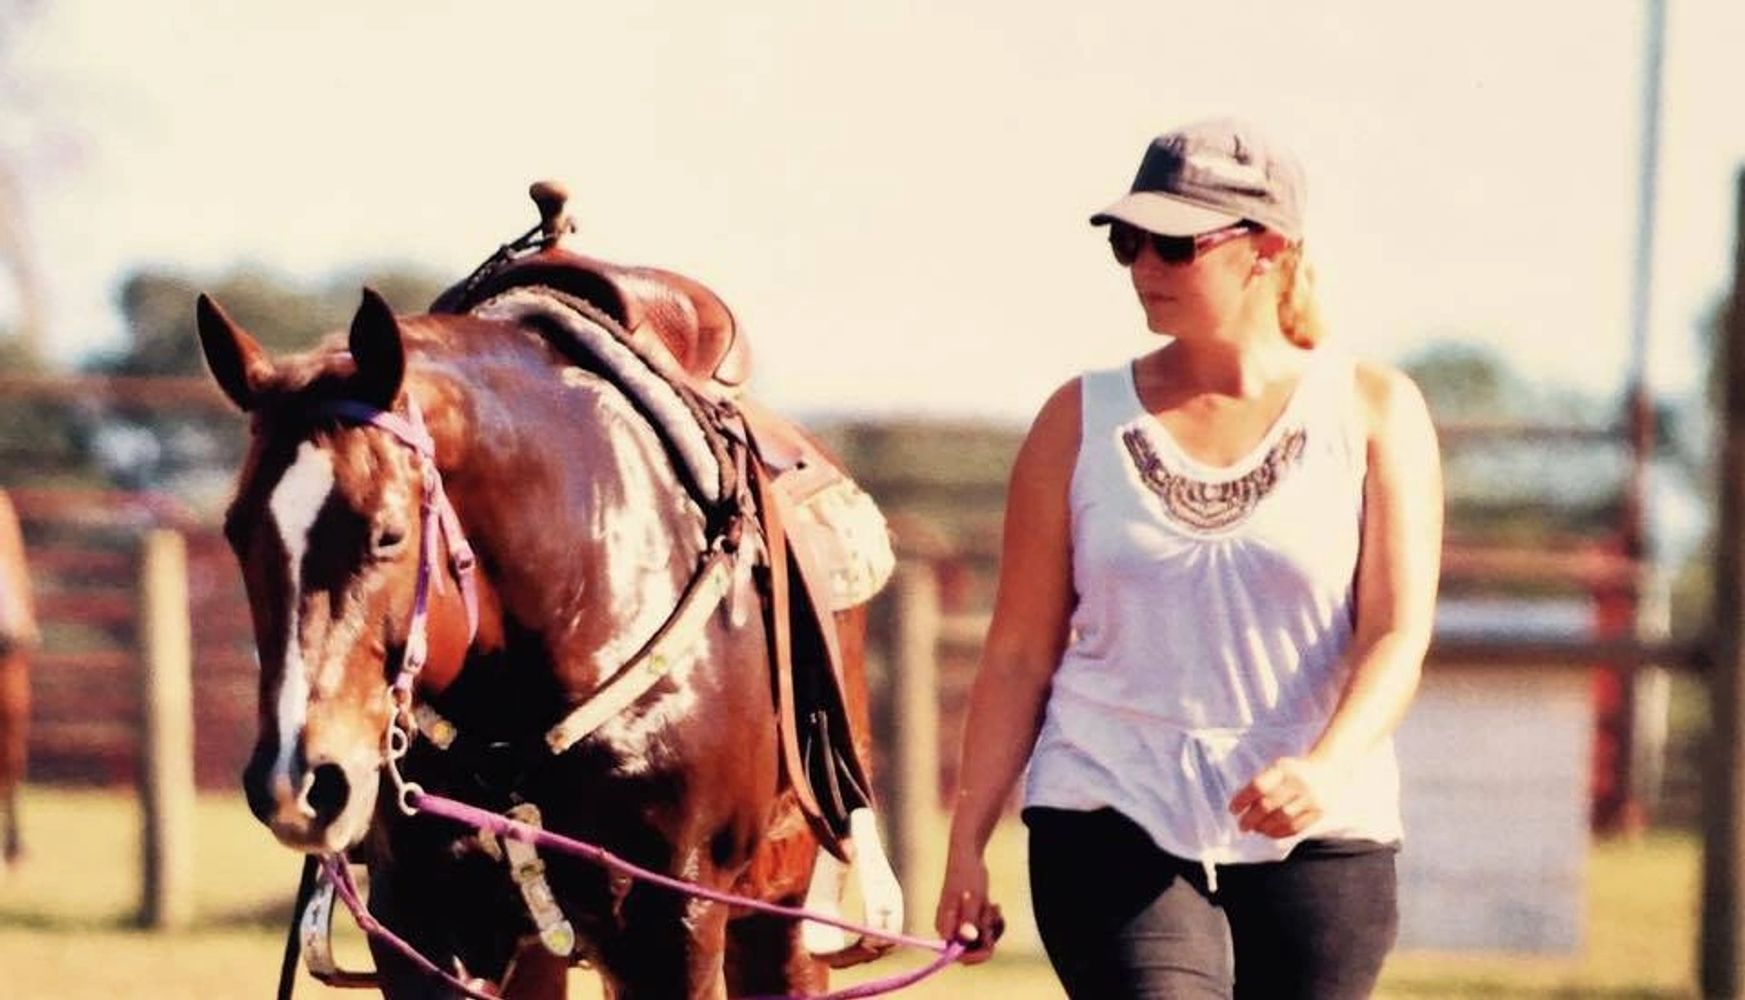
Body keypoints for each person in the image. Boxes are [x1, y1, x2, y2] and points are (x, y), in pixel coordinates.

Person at [933, 117, 1443, 999]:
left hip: (1315, 823)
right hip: (1106, 805)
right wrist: (965, 846)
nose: (1142, 268)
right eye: (1127, 243)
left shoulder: (1374, 411)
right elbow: (1017, 653)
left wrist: (1324, 766)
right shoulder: (1075, 419)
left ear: (1268, 249)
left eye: (1172, 244)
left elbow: (1395, 633)